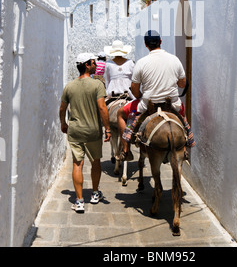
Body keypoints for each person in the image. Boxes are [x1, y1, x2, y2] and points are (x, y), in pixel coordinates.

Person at [118, 30, 195, 161]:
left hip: (148, 105)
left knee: (120, 113)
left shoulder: (141, 63)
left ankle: (126, 150)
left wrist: (142, 95)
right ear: (160, 42)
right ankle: (186, 144)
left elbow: (135, 91)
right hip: (172, 105)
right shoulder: (174, 60)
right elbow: (182, 84)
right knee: (182, 112)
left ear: (146, 45)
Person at [59, 52, 111, 213]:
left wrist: (63, 123)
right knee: (96, 162)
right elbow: (102, 108)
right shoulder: (97, 85)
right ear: (87, 65)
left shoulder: (69, 86)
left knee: (77, 164)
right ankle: (95, 194)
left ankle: (79, 201)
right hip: (93, 130)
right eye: (94, 63)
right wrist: (107, 128)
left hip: (75, 130)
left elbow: (62, 109)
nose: (96, 65)